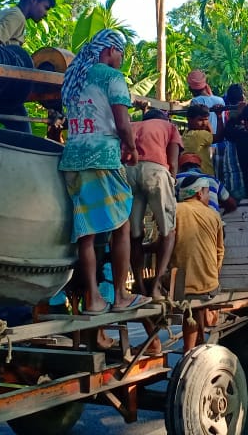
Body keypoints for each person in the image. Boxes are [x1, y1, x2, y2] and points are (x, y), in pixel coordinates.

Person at [58, 28, 150, 315]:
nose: (121, 59)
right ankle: (121, 295)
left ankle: (94, 299)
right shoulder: (112, 78)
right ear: (110, 50)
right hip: (103, 159)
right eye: (121, 53)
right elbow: (123, 125)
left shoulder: (74, 79)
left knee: (86, 233)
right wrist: (133, 149)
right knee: (121, 224)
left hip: (72, 158)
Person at [0, 0, 56, 132]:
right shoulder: (17, 16)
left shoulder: (9, 13)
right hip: (0, 88)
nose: (45, 13)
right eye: (45, 7)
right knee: (24, 135)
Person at [125, 109, 182, 299]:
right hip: (155, 171)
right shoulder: (170, 127)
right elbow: (173, 164)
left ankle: (139, 286)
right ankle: (156, 286)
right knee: (168, 232)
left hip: (129, 171)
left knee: (134, 235)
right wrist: (171, 184)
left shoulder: (133, 125)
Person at [171, 175, 227, 352]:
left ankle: (189, 349)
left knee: (147, 290)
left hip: (181, 287)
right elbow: (220, 251)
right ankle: (193, 347)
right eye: (206, 193)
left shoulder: (175, 210)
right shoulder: (214, 215)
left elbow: (165, 244)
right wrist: (213, 274)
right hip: (209, 285)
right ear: (199, 193)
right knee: (198, 300)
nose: (207, 197)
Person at [182, 104, 223, 175]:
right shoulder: (200, 134)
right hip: (204, 175)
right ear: (189, 119)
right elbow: (219, 137)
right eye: (200, 120)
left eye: (206, 119)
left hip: (189, 174)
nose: (204, 123)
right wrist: (219, 116)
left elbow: (209, 133)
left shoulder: (186, 133)